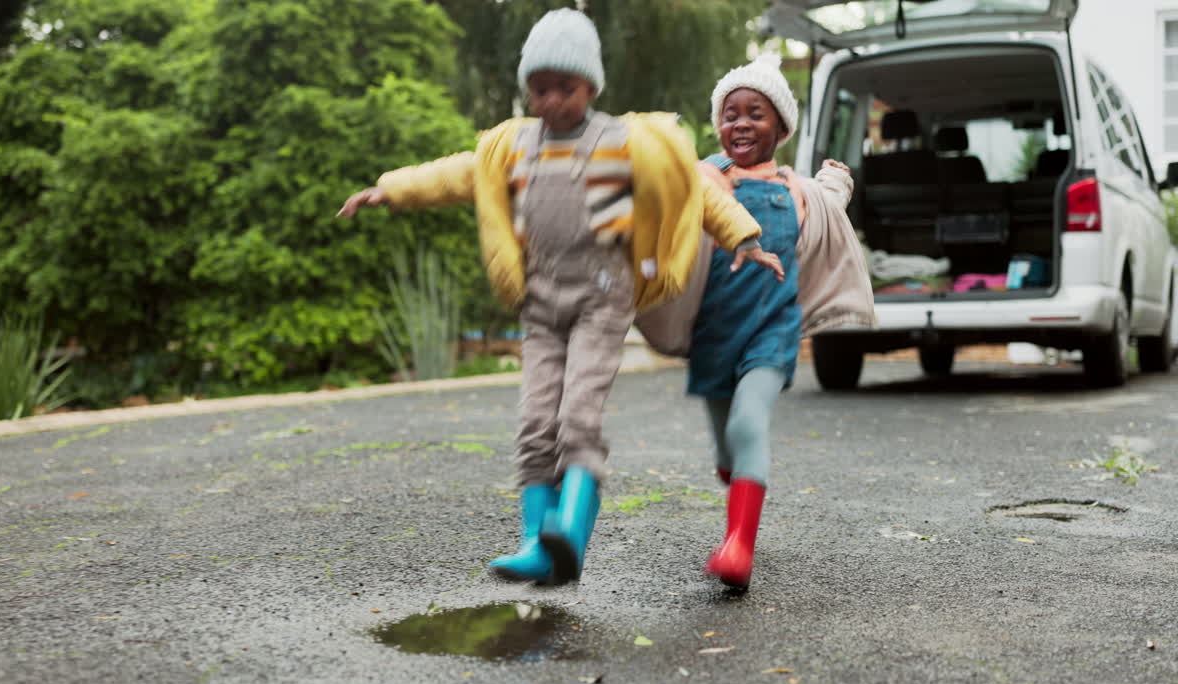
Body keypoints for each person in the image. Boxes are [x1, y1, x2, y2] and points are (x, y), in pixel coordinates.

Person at [337, 9, 781, 586]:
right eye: (539, 90)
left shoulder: (623, 142)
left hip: (603, 299)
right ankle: (535, 540)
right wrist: (390, 189)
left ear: (590, 86)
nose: (551, 102)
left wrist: (743, 233)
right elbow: (455, 174)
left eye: (564, 89)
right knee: (534, 421)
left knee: (577, 415)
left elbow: (694, 188)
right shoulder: (511, 147)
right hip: (541, 303)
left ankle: (570, 528)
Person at [675, 53, 873, 589]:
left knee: (747, 423)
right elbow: (668, 189)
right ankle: (737, 473)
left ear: (781, 127)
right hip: (715, 333)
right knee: (726, 448)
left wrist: (839, 180)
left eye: (755, 113)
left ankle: (739, 547)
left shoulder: (795, 188)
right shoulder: (706, 178)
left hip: (772, 330)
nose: (741, 122)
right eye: (731, 113)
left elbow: (829, 200)